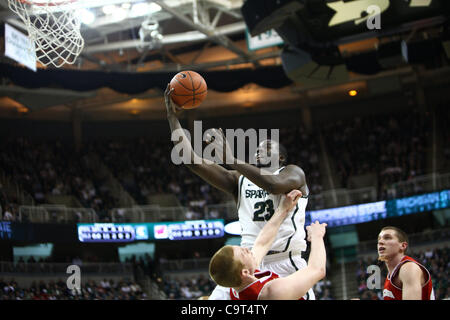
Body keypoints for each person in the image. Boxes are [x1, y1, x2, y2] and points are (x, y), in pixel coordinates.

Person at [164, 84, 315, 300]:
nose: (260, 151)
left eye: (267, 148)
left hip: (286, 262)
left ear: (281, 158)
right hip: (245, 262)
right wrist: (172, 117)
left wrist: (231, 160)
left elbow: (272, 185)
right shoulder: (238, 179)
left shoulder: (293, 174)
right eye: (258, 149)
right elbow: (192, 161)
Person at [209, 190, 327, 300]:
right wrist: (317, 235)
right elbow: (317, 270)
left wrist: (283, 209)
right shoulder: (271, 292)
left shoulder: (235, 285)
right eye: (243, 253)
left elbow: (262, 243)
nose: (246, 248)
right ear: (244, 273)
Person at [377, 226, 434, 300]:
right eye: (379, 239)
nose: (380, 242)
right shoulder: (392, 275)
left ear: (403, 246)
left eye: (387, 238)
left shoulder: (408, 268)